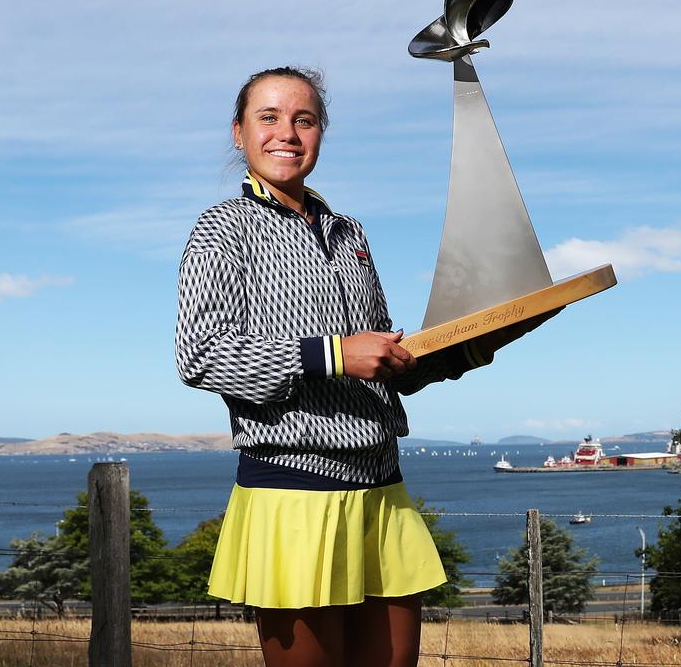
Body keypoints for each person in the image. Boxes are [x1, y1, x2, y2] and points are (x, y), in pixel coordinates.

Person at [174, 66, 554, 667]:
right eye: (268, 118)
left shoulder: (350, 233)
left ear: (321, 133)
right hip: (294, 495)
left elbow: (382, 364)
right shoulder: (222, 228)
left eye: (304, 119)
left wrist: (483, 340)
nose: (287, 134)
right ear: (239, 134)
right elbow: (200, 354)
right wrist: (331, 352)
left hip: (383, 488)